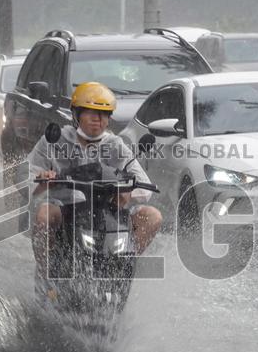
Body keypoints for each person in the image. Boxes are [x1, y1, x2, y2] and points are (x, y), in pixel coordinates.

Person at [28, 81, 163, 278]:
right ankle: (45, 271)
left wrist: (126, 192)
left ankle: (123, 267)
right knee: (43, 214)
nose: (97, 120)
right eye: (91, 113)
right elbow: (28, 175)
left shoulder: (116, 145)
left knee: (153, 216)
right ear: (76, 114)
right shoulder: (56, 140)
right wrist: (42, 179)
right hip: (66, 209)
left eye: (103, 114)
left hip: (108, 212)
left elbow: (144, 187)